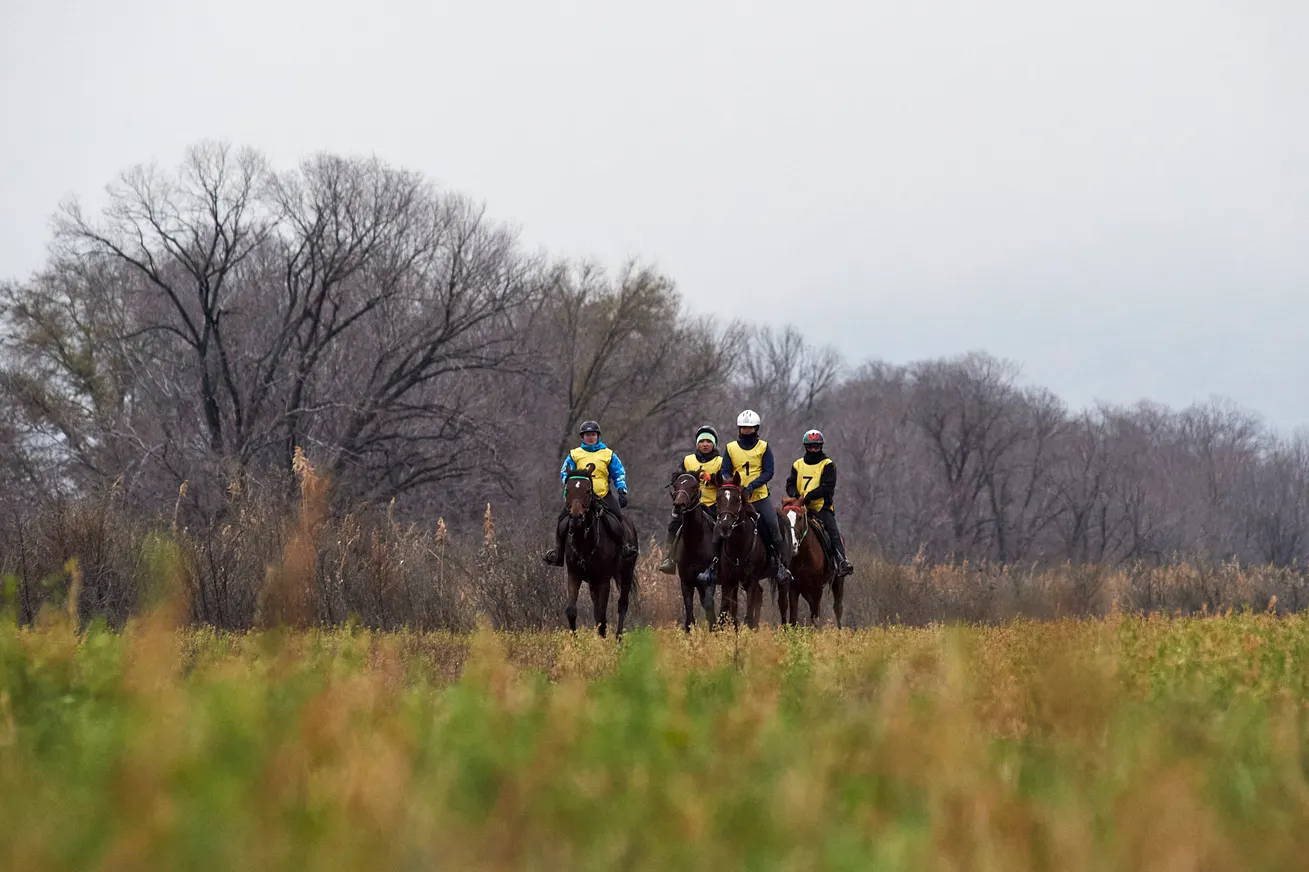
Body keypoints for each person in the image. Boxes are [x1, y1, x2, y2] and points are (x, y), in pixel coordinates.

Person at [697, 409, 793, 585]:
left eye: (749, 429)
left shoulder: (763, 447)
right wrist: (731, 484)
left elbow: (769, 471)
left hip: (759, 496)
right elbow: (725, 469)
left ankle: (781, 565)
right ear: (739, 429)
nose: (746, 431)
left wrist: (751, 486)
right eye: (743, 428)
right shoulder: (731, 448)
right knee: (720, 526)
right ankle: (713, 566)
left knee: (773, 525)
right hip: (736, 496)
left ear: (756, 429)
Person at [542, 420, 638, 565]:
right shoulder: (574, 454)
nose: (590, 437)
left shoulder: (608, 454)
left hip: (603, 496)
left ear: (598, 436)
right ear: (582, 437)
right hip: (580, 498)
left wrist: (621, 490)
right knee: (562, 520)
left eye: (593, 434)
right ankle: (558, 553)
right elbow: (564, 473)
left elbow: (618, 472)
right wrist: (571, 487)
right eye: (587, 435)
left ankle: (624, 546)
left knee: (617, 518)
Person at [785, 428, 854, 577]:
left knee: (833, 531)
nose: (813, 449)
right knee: (783, 526)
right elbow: (790, 484)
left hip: (821, 507)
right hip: (800, 508)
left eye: (816, 446)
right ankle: (780, 564)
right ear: (806, 447)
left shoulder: (828, 465)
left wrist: (807, 497)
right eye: (810, 446)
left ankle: (841, 560)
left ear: (821, 446)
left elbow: (827, 487)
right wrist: (795, 495)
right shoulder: (797, 464)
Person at [657, 425, 722, 574]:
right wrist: (693, 475)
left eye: (708, 441)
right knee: (674, 525)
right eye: (702, 441)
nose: (705, 444)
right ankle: (669, 559)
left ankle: (724, 561)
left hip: (711, 504)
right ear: (697, 444)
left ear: (714, 444)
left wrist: (711, 478)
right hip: (689, 505)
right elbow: (676, 477)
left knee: (723, 528)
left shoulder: (720, 461)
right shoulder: (688, 460)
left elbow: (725, 481)